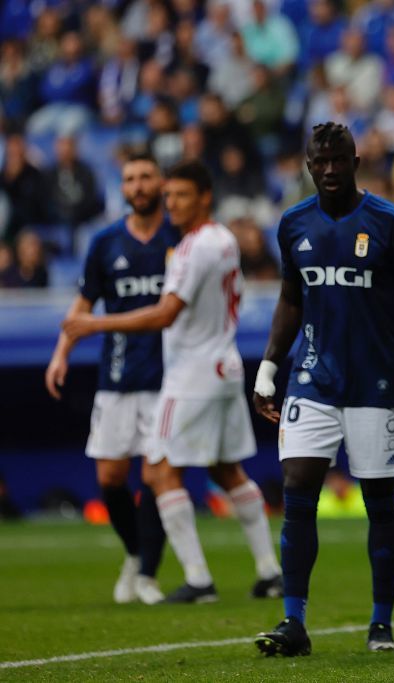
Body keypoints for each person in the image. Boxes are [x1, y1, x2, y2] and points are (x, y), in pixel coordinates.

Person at [251, 121, 394, 657]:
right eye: (320, 161)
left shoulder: (390, 223)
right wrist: (268, 366)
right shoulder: (292, 225)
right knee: (297, 490)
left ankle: (381, 622)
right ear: (308, 165)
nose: (330, 169)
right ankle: (294, 622)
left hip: (374, 383)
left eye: (340, 160)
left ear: (356, 163)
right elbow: (291, 297)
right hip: (311, 378)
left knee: (379, 500)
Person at [62, 159, 283, 604]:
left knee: (159, 471)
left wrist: (93, 325)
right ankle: (269, 571)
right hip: (225, 365)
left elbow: (165, 314)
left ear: (205, 197)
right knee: (227, 470)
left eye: (181, 195)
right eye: (170, 196)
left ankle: (198, 579)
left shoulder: (191, 249)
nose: (173, 204)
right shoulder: (224, 240)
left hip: (191, 373)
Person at [45, 152, 172, 605]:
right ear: (122, 187)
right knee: (111, 478)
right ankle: (136, 554)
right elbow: (83, 305)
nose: (138, 185)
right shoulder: (105, 243)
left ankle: (149, 577)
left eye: (145, 176)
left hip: (168, 376)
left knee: (158, 475)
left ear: (160, 182)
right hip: (117, 375)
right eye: (130, 179)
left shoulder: (178, 239)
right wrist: (62, 352)